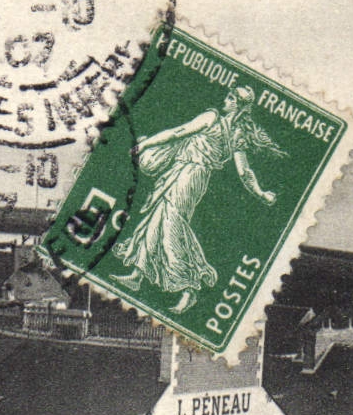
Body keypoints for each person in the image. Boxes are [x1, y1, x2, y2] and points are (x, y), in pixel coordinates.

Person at [110, 85, 284, 313]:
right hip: (187, 173)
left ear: (237, 105)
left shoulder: (214, 119)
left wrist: (145, 144)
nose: (226, 99)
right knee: (157, 218)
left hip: (190, 175)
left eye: (231, 97)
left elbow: (178, 132)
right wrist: (261, 193)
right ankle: (137, 274)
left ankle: (189, 288)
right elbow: (244, 172)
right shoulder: (236, 133)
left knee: (171, 224)